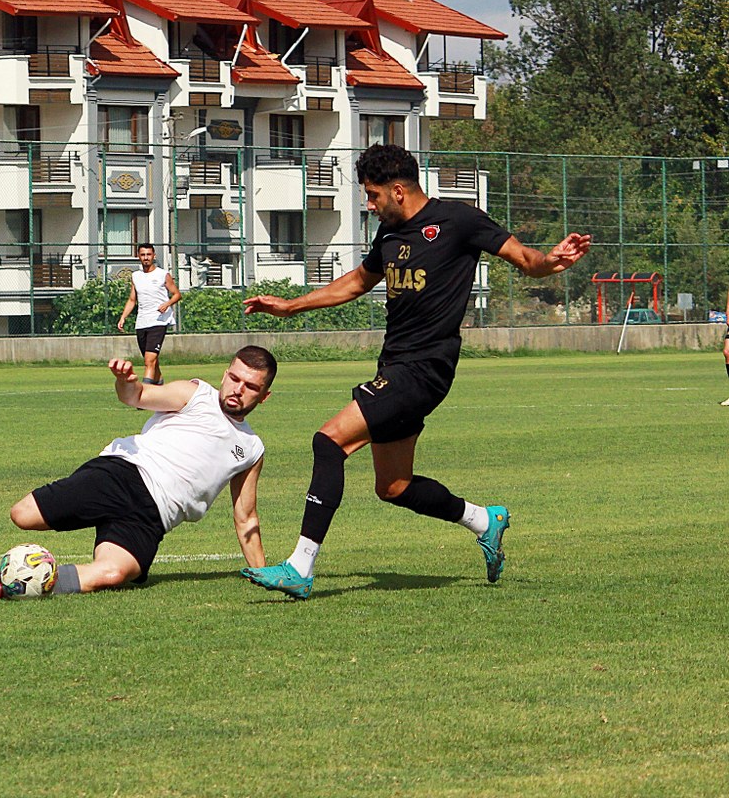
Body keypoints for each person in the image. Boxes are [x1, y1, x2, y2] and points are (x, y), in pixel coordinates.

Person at [239, 144, 591, 599]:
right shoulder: (388, 237)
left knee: (329, 441)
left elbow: (526, 260)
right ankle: (484, 519)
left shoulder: (459, 221)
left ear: (399, 191)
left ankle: (300, 567)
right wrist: (291, 305)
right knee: (394, 486)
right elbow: (360, 281)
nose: (369, 204)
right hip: (395, 365)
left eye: (372, 195)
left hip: (425, 369)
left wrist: (553, 261)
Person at [0, 346, 277, 597]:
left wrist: (262, 574)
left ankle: (18, 586)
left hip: (153, 517)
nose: (238, 390)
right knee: (22, 515)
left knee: (112, 573)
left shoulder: (251, 448)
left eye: (251, 386)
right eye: (234, 378)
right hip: (122, 475)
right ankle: (33, 563)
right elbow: (136, 397)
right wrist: (127, 381)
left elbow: (246, 516)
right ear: (225, 374)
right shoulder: (195, 394)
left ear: (264, 396)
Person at [117, 243, 181, 385]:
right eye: (143, 255)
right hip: (142, 322)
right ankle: (161, 389)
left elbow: (177, 294)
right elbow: (132, 299)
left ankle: (144, 395)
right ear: (139, 256)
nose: (146, 258)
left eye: (148, 254)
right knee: (152, 361)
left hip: (159, 321)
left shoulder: (163, 274)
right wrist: (123, 317)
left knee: (149, 360)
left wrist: (167, 304)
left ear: (154, 256)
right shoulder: (136, 276)